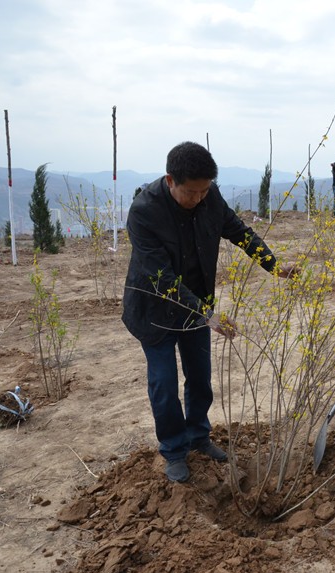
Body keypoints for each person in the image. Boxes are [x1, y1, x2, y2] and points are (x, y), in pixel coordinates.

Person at [122, 142, 295, 483]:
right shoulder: (144, 212)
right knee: (164, 382)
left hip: (196, 306)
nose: (199, 198)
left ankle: (199, 436)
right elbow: (160, 277)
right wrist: (207, 314)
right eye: (191, 192)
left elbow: (239, 232)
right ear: (171, 180)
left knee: (200, 377)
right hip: (154, 311)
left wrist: (272, 266)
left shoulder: (208, 196)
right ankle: (173, 449)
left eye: (205, 191)